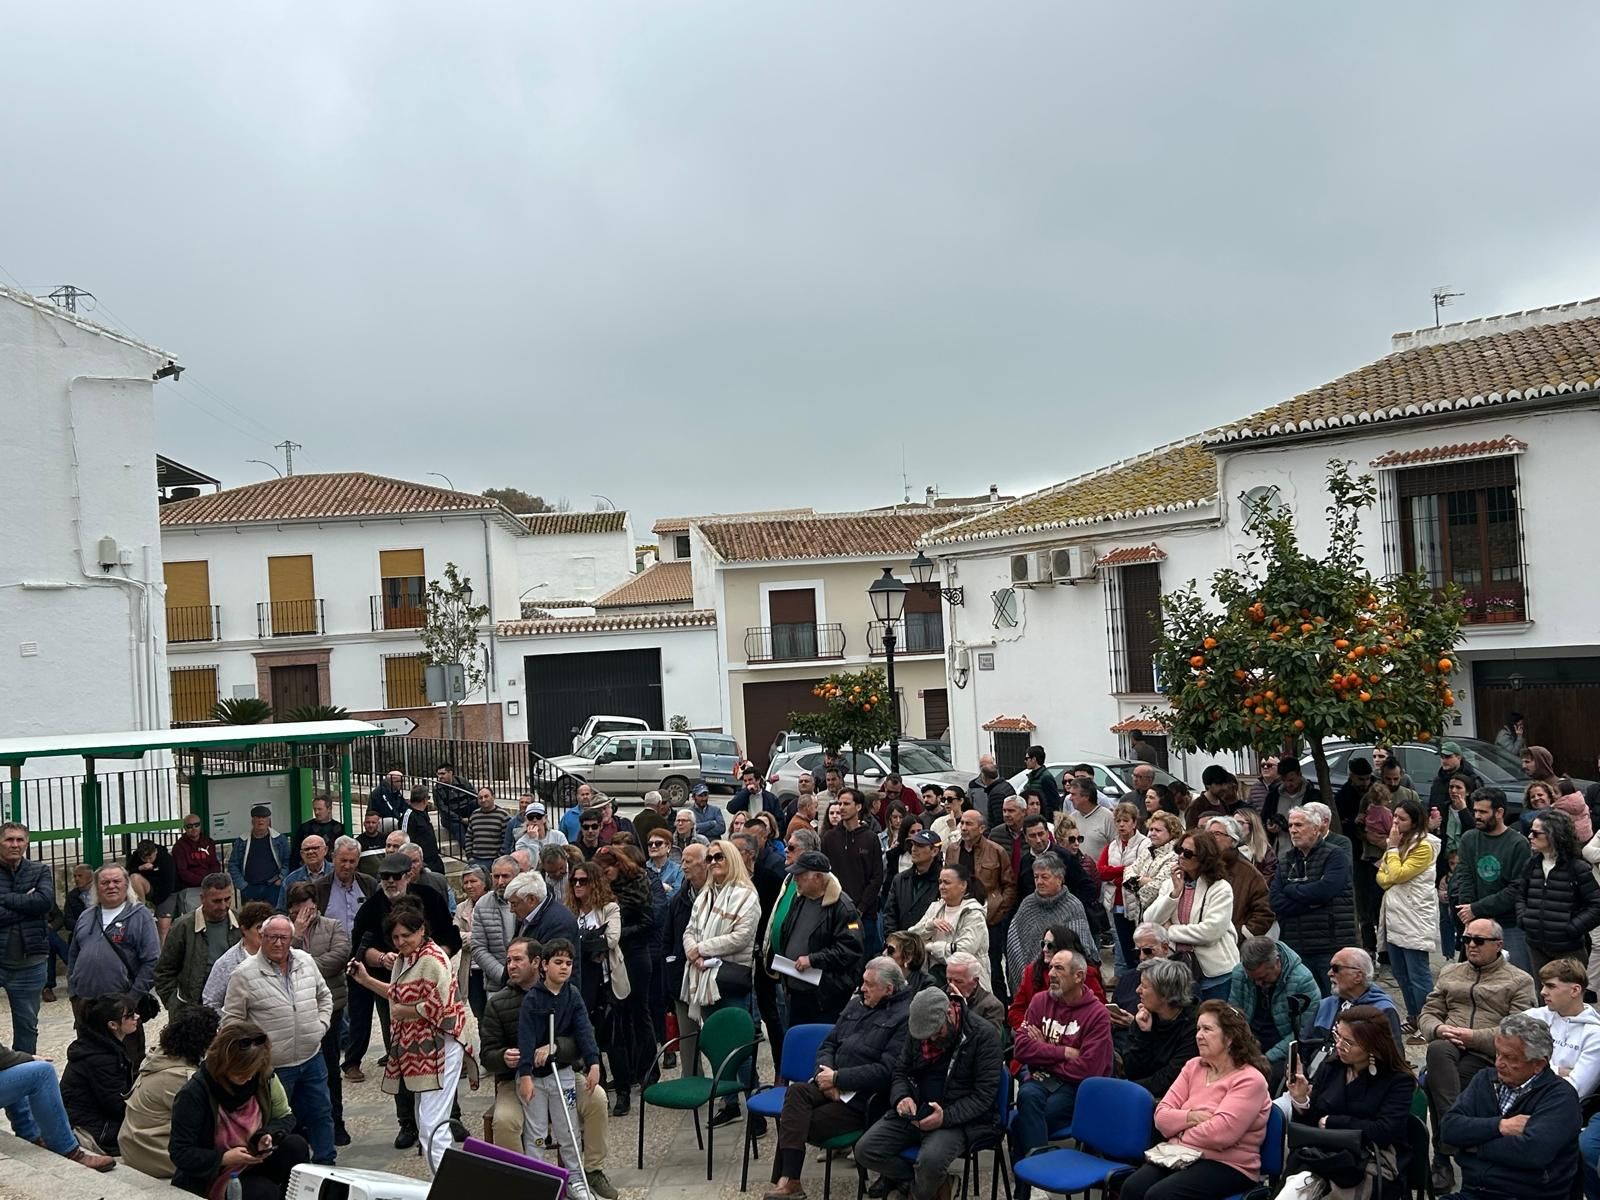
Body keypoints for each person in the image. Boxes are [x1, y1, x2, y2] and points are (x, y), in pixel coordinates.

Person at [765, 958, 914, 1199]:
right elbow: (828, 1044)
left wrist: (839, 1079)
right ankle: (790, 1181)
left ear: (888, 989)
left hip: (860, 1099)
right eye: (862, 982)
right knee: (796, 1092)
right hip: (829, 1081)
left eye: (869, 984)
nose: (862, 988)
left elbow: (886, 1071)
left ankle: (788, 1181)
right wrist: (824, 1075)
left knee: (797, 1123)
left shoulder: (904, 1017)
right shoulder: (857, 1004)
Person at [350, 897, 479, 1171]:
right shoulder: (406, 958)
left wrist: (407, 1012)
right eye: (395, 937)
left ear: (421, 930)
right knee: (425, 1120)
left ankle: (446, 1184)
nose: (400, 942)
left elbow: (442, 1005)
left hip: (442, 1045)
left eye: (406, 935)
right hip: (418, 1048)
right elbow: (397, 994)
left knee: (433, 1123)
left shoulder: (433, 959)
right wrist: (366, 980)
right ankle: (442, 1179)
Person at [1418, 917, 1537, 1192]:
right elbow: (1429, 1012)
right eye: (1466, 939)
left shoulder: (1519, 980)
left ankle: (1443, 1156)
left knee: (1438, 1079)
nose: (1471, 945)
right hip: (1448, 1044)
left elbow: (1517, 1028)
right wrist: (1438, 1028)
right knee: (1437, 1050)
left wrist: (1474, 1037)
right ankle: (1454, 1137)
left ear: (1498, 945)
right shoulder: (1451, 972)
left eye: (1479, 940)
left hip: (1489, 1052)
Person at [854, 987, 1002, 1200]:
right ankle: (935, 1184)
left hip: (957, 1118)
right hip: (917, 1109)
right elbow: (901, 1071)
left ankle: (918, 1192)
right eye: (926, 1036)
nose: (931, 1039)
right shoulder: (918, 1031)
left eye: (937, 1032)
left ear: (949, 1013)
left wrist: (945, 1118)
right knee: (865, 1150)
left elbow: (983, 1096)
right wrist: (902, 1097)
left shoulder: (983, 1035)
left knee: (930, 1161)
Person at [1117, 1000, 1271, 1200]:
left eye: (1207, 1029)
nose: (1198, 1035)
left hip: (1229, 1164)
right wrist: (1193, 1117)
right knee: (1132, 1188)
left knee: (1160, 1196)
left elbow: (1220, 1135)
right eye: (1198, 1029)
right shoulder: (1194, 1066)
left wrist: (1179, 1129)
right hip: (1181, 1154)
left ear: (1229, 1038)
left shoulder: (1250, 1079)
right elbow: (1161, 1117)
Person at [222, 913, 336, 1164]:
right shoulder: (244, 974)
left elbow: (324, 996)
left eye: (284, 937)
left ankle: (327, 1167)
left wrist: (321, 1026)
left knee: (321, 1114)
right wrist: (253, 1053)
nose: (278, 943)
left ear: (291, 938)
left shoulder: (306, 961)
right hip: (273, 1068)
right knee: (278, 1123)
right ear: (262, 937)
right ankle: (288, 1171)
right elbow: (232, 1021)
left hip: (311, 1057)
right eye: (272, 937)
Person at [1440, 1012, 1581, 1200]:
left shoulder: (1560, 1097)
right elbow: (1449, 1129)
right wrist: (1499, 1126)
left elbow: (1532, 1153)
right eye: (1498, 1053)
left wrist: (1475, 1147)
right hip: (1473, 1192)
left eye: (1509, 1057)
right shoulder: (1485, 1079)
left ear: (1538, 1064)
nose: (1499, 1063)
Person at [1283, 1004, 1416, 1200]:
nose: (1338, 1046)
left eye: (1348, 1042)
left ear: (1373, 1046)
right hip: (1322, 1153)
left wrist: (1332, 1122)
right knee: (1295, 1182)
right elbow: (1309, 1125)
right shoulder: (1332, 1066)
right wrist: (1301, 1099)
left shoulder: (1397, 1080)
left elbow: (1384, 1131)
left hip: (1368, 1159)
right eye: (1337, 1037)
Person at [169, 1021, 311, 1199]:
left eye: (253, 1071)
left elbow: (286, 1116)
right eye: (241, 1073)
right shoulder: (194, 1094)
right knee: (263, 1192)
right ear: (224, 1065)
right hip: (215, 1173)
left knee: (295, 1146)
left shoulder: (263, 1077)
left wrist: (268, 1135)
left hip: (254, 1157)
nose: (249, 1077)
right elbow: (180, 1152)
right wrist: (224, 1158)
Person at [1010, 949, 1114, 1192]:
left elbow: (1088, 1070)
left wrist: (1042, 1053)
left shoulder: (1097, 1014)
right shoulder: (1040, 1001)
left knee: (1020, 1124)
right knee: (1027, 1094)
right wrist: (1062, 1052)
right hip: (1044, 1080)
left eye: (1059, 969)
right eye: (1051, 968)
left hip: (1077, 1090)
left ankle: (1028, 1190)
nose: (1052, 974)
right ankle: (1038, 1185)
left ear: (1079, 976)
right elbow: (1021, 1049)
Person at [513, 937, 600, 1200]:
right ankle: (538, 1181)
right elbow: (525, 1038)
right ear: (544, 966)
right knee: (537, 1133)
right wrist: (525, 1074)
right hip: (536, 1079)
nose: (564, 967)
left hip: (562, 1074)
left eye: (568, 963)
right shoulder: (532, 999)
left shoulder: (572, 996)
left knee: (568, 1130)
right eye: (558, 962)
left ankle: (575, 1179)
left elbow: (584, 1031)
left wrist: (593, 1062)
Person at [679, 837, 761, 1114]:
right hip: (703, 979)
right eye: (710, 858)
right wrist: (692, 951)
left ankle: (755, 1107)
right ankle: (729, 1103)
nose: (713, 862)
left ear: (732, 860)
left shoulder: (746, 896)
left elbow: (741, 937)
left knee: (740, 1047)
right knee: (717, 1045)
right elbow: (689, 929)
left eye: (719, 857)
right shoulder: (705, 895)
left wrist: (701, 948)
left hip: (729, 980)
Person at [67, 863, 159, 1062]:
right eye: (105, 882)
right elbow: (73, 955)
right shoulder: (86, 916)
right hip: (87, 1008)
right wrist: (74, 994)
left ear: (126, 885)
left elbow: (152, 961)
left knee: (126, 1062)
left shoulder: (140, 916)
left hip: (122, 1009)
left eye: (116, 881)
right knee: (90, 1063)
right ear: (96, 887)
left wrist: (131, 1000)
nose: (111, 886)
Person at [117, 1009, 225, 1178]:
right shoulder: (180, 1078)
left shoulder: (160, 1057)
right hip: (152, 1152)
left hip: (134, 1144)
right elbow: (213, 1120)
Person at [763, 850, 865, 1026]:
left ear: (818, 877)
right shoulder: (800, 898)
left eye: (800, 875)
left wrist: (813, 959)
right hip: (796, 990)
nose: (795, 879)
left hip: (824, 996)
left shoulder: (843, 908)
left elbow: (850, 949)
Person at [1271, 806, 1356, 993]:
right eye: (1290, 825)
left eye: (1299, 825)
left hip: (1329, 945)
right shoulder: (1286, 860)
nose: (1293, 830)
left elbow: (1326, 891)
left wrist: (1291, 889)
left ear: (1316, 829)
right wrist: (1313, 902)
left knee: (1334, 998)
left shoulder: (1335, 855)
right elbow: (1276, 901)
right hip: (1295, 946)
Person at [1145, 831, 1238, 1000]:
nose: (1181, 856)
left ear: (1204, 858)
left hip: (1214, 974)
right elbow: (1150, 921)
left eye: (1188, 853)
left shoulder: (1220, 888)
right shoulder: (1171, 883)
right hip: (1179, 970)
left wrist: (1168, 931)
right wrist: (1174, 894)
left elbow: (1210, 932)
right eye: (1179, 850)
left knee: (1214, 1015)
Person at [1375, 797, 1438, 1031]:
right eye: (1394, 817)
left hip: (1414, 917)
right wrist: (1392, 864)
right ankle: (1412, 1016)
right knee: (1400, 973)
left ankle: (1427, 1021)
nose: (1395, 823)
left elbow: (1398, 875)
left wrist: (1392, 850)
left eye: (1401, 819)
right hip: (1394, 916)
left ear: (1414, 821)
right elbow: (1382, 877)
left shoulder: (1424, 846)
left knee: (1418, 975)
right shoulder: (1398, 843)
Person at [1452, 786, 1533, 971]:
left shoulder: (1518, 844)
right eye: (1475, 811)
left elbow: (1517, 888)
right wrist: (1469, 913)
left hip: (1509, 925)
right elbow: (1465, 878)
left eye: (1483, 812)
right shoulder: (1469, 838)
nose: (1477, 816)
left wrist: (1477, 908)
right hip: (1476, 921)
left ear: (1499, 812)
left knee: (1515, 977)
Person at [1229, 935, 1321, 1088]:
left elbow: (1303, 1032)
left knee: (1263, 1080)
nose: (1258, 983)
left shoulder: (1303, 981)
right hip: (1249, 1042)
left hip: (1283, 1048)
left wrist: (1267, 1057)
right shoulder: (1240, 973)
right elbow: (1233, 1015)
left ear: (1277, 962)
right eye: (1253, 979)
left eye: (1263, 977)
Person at [1516, 808, 1600, 976]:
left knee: (1568, 990)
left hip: (1568, 949)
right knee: (1543, 990)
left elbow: (1597, 905)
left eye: (1536, 833)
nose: (1530, 836)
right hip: (1536, 944)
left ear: (1553, 835)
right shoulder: (1532, 864)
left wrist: (1572, 928)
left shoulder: (1577, 868)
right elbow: (1520, 895)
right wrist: (1525, 919)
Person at [1005, 850, 1097, 991]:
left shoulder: (1072, 906)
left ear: (1059, 879)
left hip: (1063, 980)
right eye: (1036, 877)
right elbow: (1014, 941)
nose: (1039, 882)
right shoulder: (1027, 904)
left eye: (1045, 877)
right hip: (1030, 977)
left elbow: (1079, 949)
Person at [60, 992, 138, 1155]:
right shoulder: (102, 1058)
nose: (136, 1017)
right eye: (130, 1015)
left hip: (92, 1120)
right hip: (95, 1130)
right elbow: (117, 1104)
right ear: (113, 1025)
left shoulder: (102, 1046)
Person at [0, 823, 55, 1055]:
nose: (15, 844)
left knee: (27, 1027)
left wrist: (5, 899)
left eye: (20, 840)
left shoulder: (40, 871)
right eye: (9, 839)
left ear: (26, 843)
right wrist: (27, 903)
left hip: (29, 963)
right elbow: (35, 905)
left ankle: (21, 1071)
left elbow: (45, 902)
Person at [1301, 947, 1406, 1063]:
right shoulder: (1326, 1005)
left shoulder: (1382, 1010)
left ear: (1358, 976)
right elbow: (1305, 1045)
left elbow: (1393, 1058)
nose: (1329, 973)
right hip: (1318, 1069)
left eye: (1336, 968)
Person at [154, 872, 239, 1015]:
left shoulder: (240, 923)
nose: (223, 906)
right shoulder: (183, 926)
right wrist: (176, 1005)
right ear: (202, 899)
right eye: (216, 901)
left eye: (227, 899)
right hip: (192, 1009)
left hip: (231, 1008)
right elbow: (164, 971)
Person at [1121, 955, 1199, 1100]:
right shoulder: (1145, 1016)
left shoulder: (1195, 1025)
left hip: (1177, 1097)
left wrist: (1129, 1089)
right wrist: (1144, 1035)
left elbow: (1172, 1077)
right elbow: (1131, 1069)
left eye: (1144, 986)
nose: (1137, 990)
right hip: (1141, 1091)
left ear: (1165, 994)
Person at [1524, 956, 1600, 1099]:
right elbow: (1508, 1060)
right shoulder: (1532, 1016)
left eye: (1551, 986)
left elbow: (1576, 1090)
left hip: (1558, 1105)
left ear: (1575, 990)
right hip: (1520, 1096)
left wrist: (1533, 1068)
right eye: (1543, 985)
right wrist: (1560, 1071)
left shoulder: (1595, 1034)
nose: (1543, 992)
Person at [907, 863, 990, 987]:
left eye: (947, 882)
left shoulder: (973, 913)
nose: (942, 887)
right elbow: (911, 938)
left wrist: (930, 947)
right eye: (940, 882)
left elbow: (964, 950)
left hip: (968, 982)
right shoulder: (935, 907)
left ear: (963, 885)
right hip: (935, 977)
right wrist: (930, 925)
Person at [1199, 815, 1277, 940]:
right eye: (1208, 834)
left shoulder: (1248, 873)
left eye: (1217, 834)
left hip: (1231, 945)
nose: (1210, 838)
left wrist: (1241, 934)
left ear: (1233, 840)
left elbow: (1264, 913)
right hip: (1199, 939)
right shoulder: (1198, 866)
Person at [1098, 801, 1149, 970]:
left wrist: (1116, 876)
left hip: (1136, 904)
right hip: (1116, 903)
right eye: (1118, 821)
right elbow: (1101, 872)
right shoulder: (1112, 846)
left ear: (1134, 823)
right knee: (1124, 946)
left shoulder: (1144, 844)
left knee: (1139, 946)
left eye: (1126, 820)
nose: (1121, 824)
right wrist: (1125, 870)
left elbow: (1139, 874)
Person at [202, 901, 276, 1009]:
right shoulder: (226, 964)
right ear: (244, 929)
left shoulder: (282, 955)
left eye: (268, 927)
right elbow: (210, 1003)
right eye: (259, 927)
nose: (264, 932)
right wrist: (232, 1018)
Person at [883, 828, 945, 938]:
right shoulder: (900, 879)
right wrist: (893, 940)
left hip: (929, 944)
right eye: (913, 844)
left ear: (934, 851)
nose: (914, 849)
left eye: (920, 845)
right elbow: (890, 915)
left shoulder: (943, 882)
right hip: (901, 943)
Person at [228, 805, 290, 904]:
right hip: (249, 888)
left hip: (273, 887)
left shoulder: (280, 839)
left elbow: (288, 860)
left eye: (264, 817)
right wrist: (242, 885)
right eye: (258, 817)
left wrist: (281, 879)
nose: (261, 821)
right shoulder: (241, 841)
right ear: (252, 820)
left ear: (268, 820)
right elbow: (233, 864)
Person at [125, 837, 179, 940]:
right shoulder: (135, 857)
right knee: (134, 877)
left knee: (163, 927)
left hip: (166, 892)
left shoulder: (166, 859)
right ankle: (141, 907)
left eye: (150, 858)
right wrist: (139, 868)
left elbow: (170, 884)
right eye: (144, 859)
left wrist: (157, 903)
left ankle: (162, 950)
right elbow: (127, 873)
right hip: (148, 888)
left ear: (156, 852)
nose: (148, 861)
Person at [172, 814, 223, 915]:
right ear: (185, 828)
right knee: (195, 917)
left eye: (196, 825)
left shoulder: (208, 842)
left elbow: (215, 864)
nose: (194, 828)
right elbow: (182, 872)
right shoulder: (179, 847)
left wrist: (211, 880)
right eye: (189, 826)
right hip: (190, 888)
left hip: (210, 886)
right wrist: (203, 881)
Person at [1063, 777, 1116, 864]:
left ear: (1086, 796)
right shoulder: (1071, 818)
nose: (1070, 798)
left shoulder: (1108, 818)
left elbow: (1116, 850)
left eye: (1073, 794)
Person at [399, 785, 447, 874]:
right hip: (422, 862)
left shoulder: (424, 813)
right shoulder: (409, 816)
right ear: (425, 800)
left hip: (434, 859)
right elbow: (405, 841)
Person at [290, 796, 344, 869]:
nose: (316, 812)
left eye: (319, 809)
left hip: (332, 869)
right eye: (315, 809)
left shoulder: (339, 829)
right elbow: (295, 853)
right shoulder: (305, 828)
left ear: (329, 809)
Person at [465, 787, 510, 871]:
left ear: (493, 797)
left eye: (486, 796)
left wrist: (498, 859)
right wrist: (469, 856)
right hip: (475, 860)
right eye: (480, 798)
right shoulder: (474, 815)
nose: (483, 800)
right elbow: (469, 837)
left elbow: (506, 840)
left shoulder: (503, 815)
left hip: (493, 861)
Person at [969, 754, 1017, 828]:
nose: (984, 767)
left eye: (987, 764)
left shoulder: (996, 792)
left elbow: (999, 819)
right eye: (982, 766)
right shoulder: (973, 785)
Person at [1021, 746, 1060, 819]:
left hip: (1043, 818)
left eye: (1027, 758)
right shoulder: (1032, 776)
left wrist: (1046, 818)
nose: (1025, 761)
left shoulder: (1045, 777)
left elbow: (1053, 802)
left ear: (1034, 759)